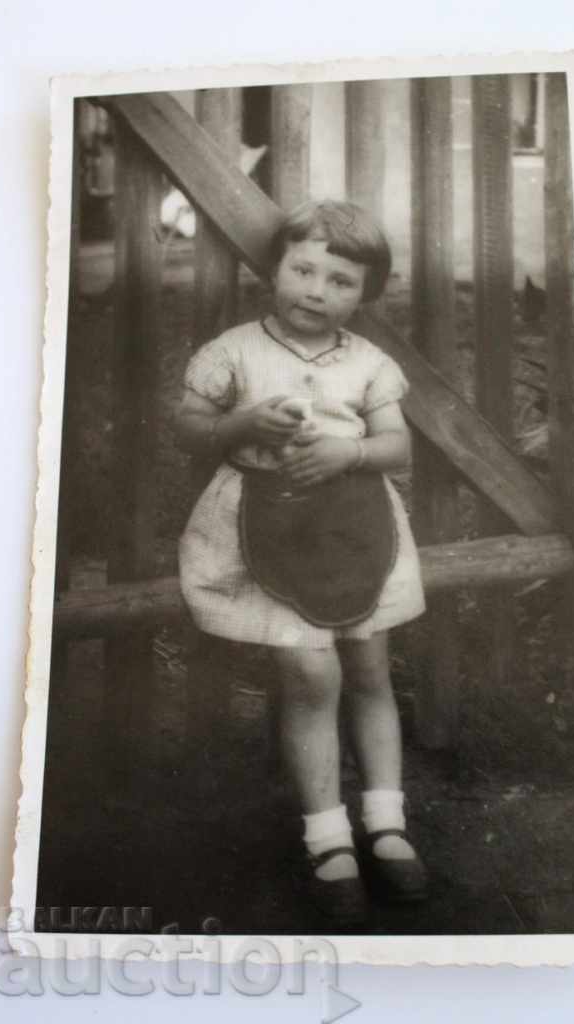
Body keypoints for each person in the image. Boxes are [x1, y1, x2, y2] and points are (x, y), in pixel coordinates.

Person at [175, 199, 428, 924]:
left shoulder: (369, 364)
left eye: (341, 280)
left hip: (352, 530)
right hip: (268, 527)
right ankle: (328, 838)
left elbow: (396, 448)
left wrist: (351, 451)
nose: (317, 290)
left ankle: (386, 823)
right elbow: (189, 431)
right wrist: (241, 421)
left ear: (364, 294)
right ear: (275, 269)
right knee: (311, 674)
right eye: (304, 269)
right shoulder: (234, 352)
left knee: (371, 669)